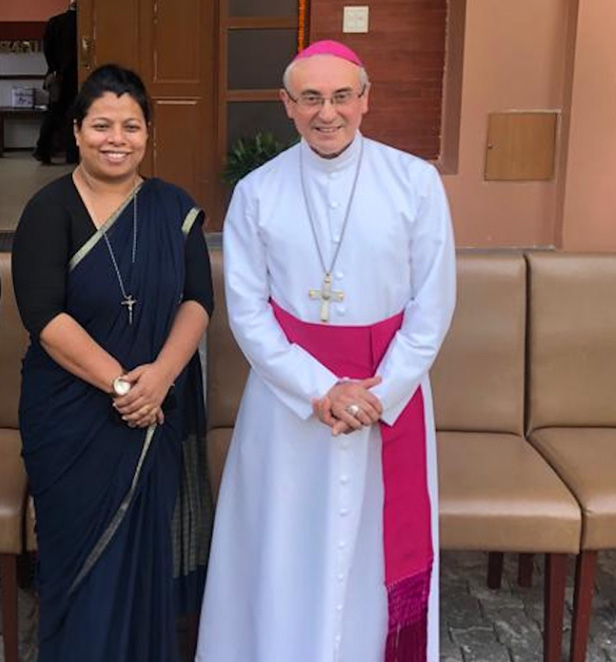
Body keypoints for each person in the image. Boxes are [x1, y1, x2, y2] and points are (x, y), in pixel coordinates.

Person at [197, 40, 456, 661]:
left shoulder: (414, 183)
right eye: (310, 98)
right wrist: (320, 390)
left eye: (342, 96)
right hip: (289, 407)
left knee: (372, 545)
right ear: (287, 105)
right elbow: (248, 311)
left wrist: (381, 392)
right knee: (284, 541)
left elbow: (432, 304)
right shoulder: (258, 192)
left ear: (365, 100)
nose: (327, 112)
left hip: (384, 401)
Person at [12, 64, 214, 661]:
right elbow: (45, 318)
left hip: (157, 404)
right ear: (76, 131)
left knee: (144, 552)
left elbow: (199, 301)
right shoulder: (48, 211)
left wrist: (161, 378)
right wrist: (125, 385)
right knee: (78, 554)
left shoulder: (173, 208)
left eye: (131, 125)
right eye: (101, 124)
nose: (116, 138)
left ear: (148, 132)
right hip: (70, 415)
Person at [34, 0, 79, 165]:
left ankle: (42, 150)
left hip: (57, 76)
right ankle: (73, 155)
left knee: (53, 114)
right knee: (75, 116)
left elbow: (47, 49)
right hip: (77, 76)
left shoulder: (55, 22)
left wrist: (54, 69)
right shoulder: (85, 24)